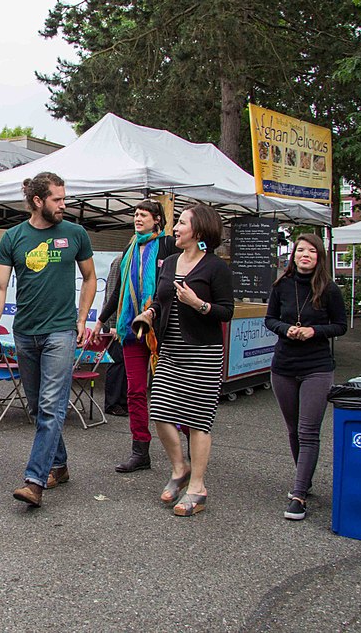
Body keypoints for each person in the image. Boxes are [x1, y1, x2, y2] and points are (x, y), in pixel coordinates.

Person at [0, 172, 96, 508]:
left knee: (51, 406)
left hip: (61, 332)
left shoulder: (75, 233)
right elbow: (0, 286)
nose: (64, 205)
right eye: (57, 200)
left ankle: (35, 481)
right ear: (38, 201)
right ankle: (58, 465)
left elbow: (90, 278)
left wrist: (82, 318)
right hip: (25, 333)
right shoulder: (14, 237)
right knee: (37, 406)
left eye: (64, 198)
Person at [133, 204, 233, 516]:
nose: (175, 228)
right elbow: (162, 302)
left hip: (203, 352)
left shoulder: (216, 267)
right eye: (177, 223)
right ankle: (180, 468)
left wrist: (199, 304)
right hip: (171, 351)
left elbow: (225, 310)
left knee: (197, 421)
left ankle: (197, 487)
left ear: (199, 231)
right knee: (160, 413)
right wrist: (149, 314)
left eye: (182, 223)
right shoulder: (172, 261)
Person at [264, 233, 347, 521]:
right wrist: (285, 329)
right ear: (293, 255)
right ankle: (305, 478)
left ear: (319, 256)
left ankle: (299, 494)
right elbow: (269, 319)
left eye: (312, 251)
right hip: (284, 366)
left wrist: (315, 331)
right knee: (293, 429)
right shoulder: (281, 286)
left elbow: (341, 326)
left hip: (317, 367)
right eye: (301, 250)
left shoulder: (329, 289)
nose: (305, 255)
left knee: (308, 430)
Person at [93, 199, 178, 473]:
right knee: (135, 391)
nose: (137, 219)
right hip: (131, 330)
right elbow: (118, 291)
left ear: (157, 219)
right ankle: (140, 450)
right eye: (135, 214)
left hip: (161, 331)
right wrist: (101, 320)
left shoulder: (168, 246)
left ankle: (188, 445)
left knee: (172, 392)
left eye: (143, 215)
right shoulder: (130, 248)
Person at [101, 254, 129, 417]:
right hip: (115, 323)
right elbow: (112, 292)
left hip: (125, 323)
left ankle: (123, 401)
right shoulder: (120, 261)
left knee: (125, 365)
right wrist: (112, 324)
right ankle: (112, 403)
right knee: (116, 362)